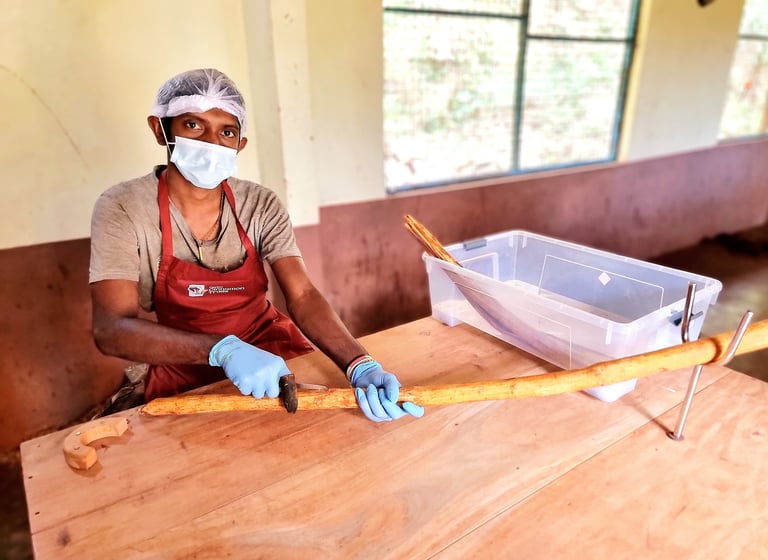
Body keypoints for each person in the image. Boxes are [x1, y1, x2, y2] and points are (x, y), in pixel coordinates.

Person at [89, 68, 423, 422]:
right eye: (193, 125)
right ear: (160, 130)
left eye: (227, 132)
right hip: (181, 359)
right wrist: (223, 350)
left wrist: (359, 363)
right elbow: (111, 329)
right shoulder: (123, 207)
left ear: (240, 144)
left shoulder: (260, 204)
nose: (211, 143)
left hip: (269, 350)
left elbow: (303, 294)